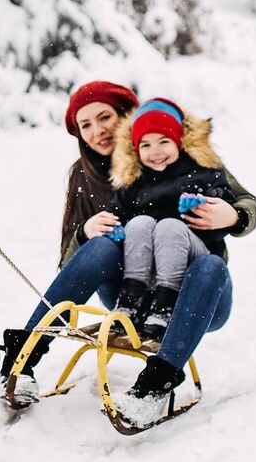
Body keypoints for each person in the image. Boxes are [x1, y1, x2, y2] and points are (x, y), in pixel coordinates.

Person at [0, 82, 256, 408]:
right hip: (129, 294)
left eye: (104, 117)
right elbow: (71, 265)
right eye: (85, 125)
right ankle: (20, 359)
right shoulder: (85, 177)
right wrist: (84, 233)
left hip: (197, 292)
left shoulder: (187, 155)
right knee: (102, 247)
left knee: (210, 265)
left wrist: (234, 215)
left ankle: (157, 384)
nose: (97, 131)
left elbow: (246, 202)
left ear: (127, 118)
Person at [98, 98, 236, 347]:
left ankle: (165, 304)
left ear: (178, 142)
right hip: (146, 270)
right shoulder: (135, 181)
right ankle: (131, 299)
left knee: (169, 226)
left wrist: (204, 205)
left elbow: (222, 217)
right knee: (139, 223)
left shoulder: (202, 173)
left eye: (164, 141)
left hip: (192, 266)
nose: (156, 152)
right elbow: (116, 212)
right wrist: (114, 228)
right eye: (146, 145)